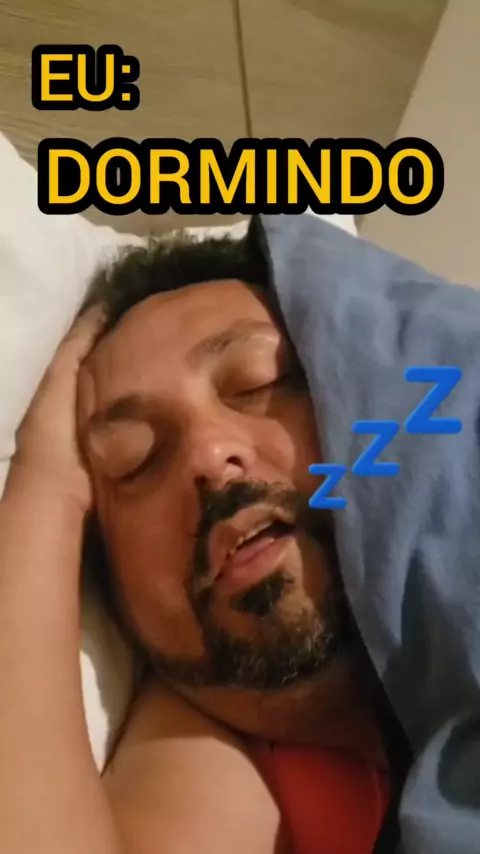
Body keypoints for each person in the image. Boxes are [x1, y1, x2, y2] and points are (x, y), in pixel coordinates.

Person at [0, 226, 407, 854]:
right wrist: (45, 482)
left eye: (255, 383)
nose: (210, 454)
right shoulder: (209, 748)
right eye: (135, 459)